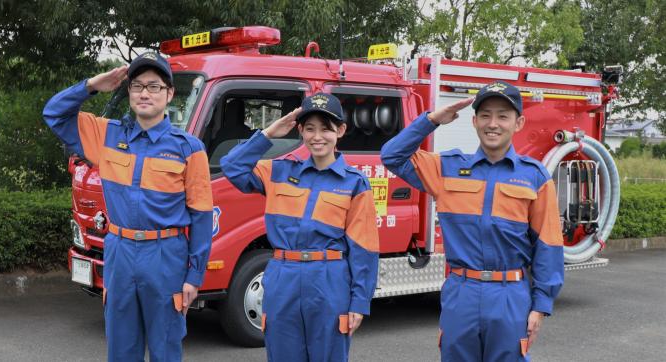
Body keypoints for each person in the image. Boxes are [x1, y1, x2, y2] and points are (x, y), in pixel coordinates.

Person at [43, 52, 213, 362]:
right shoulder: (107, 134)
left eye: (154, 86)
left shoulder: (189, 148)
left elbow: (201, 215)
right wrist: (92, 85)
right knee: (121, 349)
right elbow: (54, 113)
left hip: (166, 256)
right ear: (129, 91)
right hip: (120, 252)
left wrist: (194, 276)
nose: (145, 93)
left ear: (170, 94)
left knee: (165, 348)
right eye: (137, 86)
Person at [381, 81, 564, 362]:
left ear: (518, 123)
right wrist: (431, 121)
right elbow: (392, 155)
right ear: (474, 121)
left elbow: (548, 245)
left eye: (503, 116)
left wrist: (540, 305)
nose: (493, 124)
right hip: (461, 293)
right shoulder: (448, 167)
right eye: (486, 115)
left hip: (510, 295)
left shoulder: (534, 177)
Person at [220, 93, 379, 362]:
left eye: (326, 129)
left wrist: (359, 302)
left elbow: (364, 247)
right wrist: (268, 134)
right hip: (284, 277)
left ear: (340, 131)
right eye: (309, 128)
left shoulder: (354, 183)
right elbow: (232, 166)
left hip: (329, 280)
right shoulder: (279, 171)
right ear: (300, 131)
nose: (317, 136)